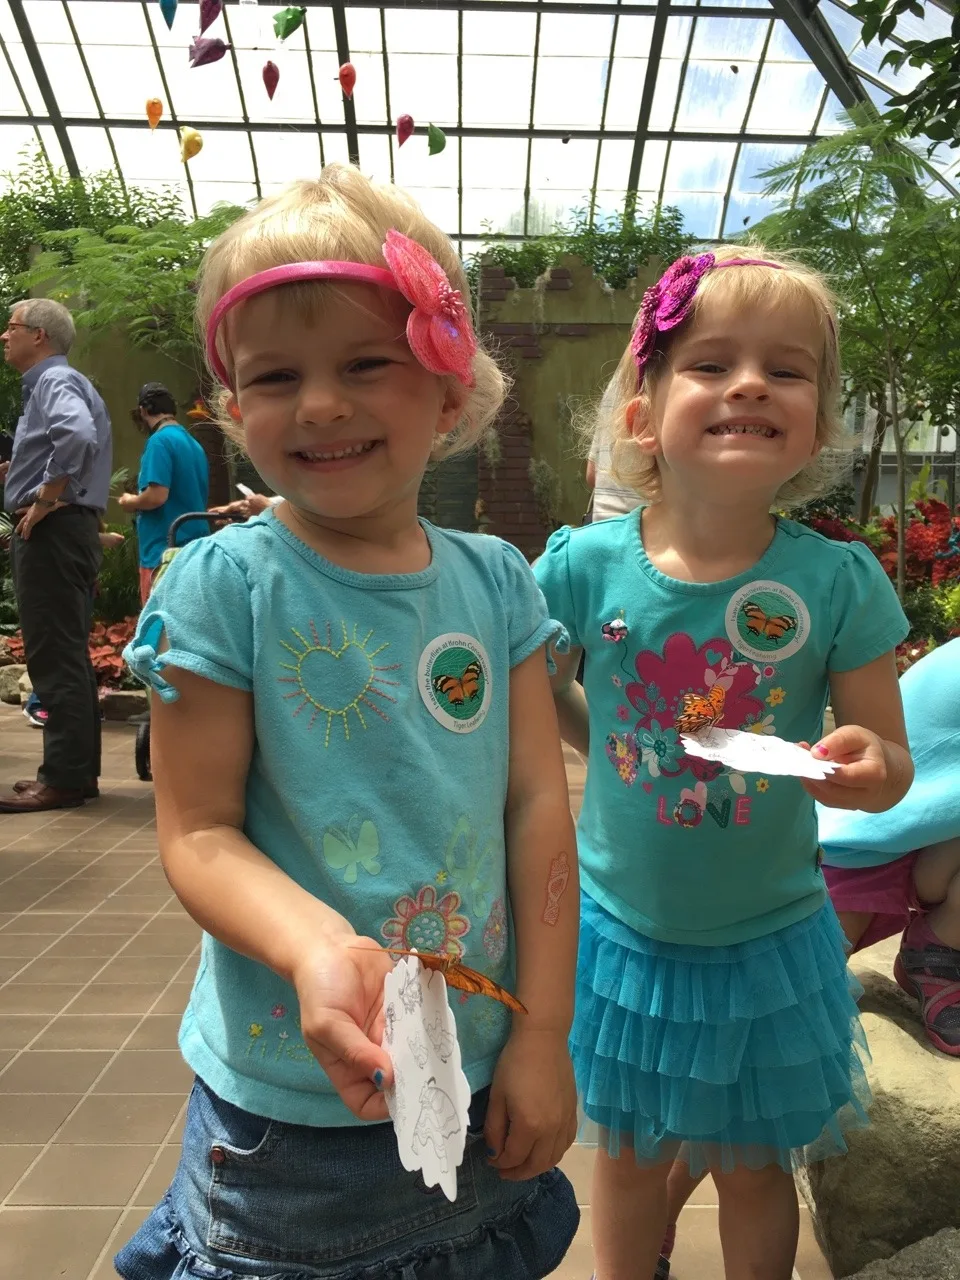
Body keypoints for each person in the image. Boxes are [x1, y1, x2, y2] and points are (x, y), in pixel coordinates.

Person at [116, 164, 580, 1280]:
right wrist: (316, 943)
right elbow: (199, 831)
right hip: (297, 1121)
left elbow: (532, 801)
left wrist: (544, 1033)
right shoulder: (223, 585)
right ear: (233, 410)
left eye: (365, 362)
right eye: (276, 376)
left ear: (448, 380)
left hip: (479, 1070)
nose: (319, 403)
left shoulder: (498, 584)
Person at [533, 246, 915, 1280]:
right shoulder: (580, 566)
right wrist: (599, 732)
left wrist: (864, 758)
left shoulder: (836, 579)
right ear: (641, 410)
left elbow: (891, 759)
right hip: (621, 933)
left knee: (753, 1166)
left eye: (787, 371)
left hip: (771, 938)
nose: (750, 383)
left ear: (820, 424)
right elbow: (527, 693)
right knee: (626, 1156)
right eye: (711, 363)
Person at [0, 298, 112, 813]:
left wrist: (45, 498)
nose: (5, 336)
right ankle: (72, 773)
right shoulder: (61, 383)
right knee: (66, 651)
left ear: (39, 336)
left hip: (54, 529)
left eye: (12, 327)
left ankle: (63, 779)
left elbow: (76, 436)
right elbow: (67, 442)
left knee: (53, 652)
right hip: (66, 527)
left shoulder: (53, 382)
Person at [118, 382, 209, 606]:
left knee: (160, 632)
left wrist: (132, 502)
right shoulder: (194, 445)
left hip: (164, 554)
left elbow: (157, 496)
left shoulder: (159, 441)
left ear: (143, 411)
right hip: (196, 551)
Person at [585, 379, 641, 521]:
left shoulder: (616, 382)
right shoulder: (662, 373)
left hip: (602, 528)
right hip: (651, 533)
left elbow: (592, 474)